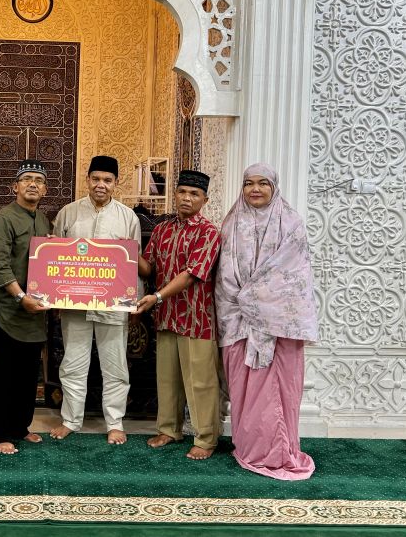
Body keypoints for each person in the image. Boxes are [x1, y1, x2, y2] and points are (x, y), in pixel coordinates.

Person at [215, 163, 318, 480]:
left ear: (275, 187)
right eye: (248, 183)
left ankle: (278, 451)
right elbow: (223, 275)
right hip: (238, 322)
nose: (255, 189)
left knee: (276, 390)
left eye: (263, 183)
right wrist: (243, 301)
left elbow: (293, 276)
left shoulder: (291, 222)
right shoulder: (232, 221)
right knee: (244, 389)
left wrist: (255, 300)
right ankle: (249, 447)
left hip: (277, 326)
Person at [49, 156, 141, 445]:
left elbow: (133, 263)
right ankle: (70, 420)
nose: (101, 185)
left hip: (113, 306)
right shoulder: (68, 213)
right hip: (75, 306)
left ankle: (114, 422)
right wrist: (54, 298)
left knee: (115, 366)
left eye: (108, 180)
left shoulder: (128, 217)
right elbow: (55, 256)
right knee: (73, 363)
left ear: (116, 183)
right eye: (96, 179)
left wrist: (133, 302)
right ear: (87, 179)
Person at [136, 169, 221, 460]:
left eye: (194, 194)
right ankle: (169, 429)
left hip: (196, 319)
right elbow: (148, 268)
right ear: (175, 193)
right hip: (166, 316)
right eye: (182, 192)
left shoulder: (209, 233)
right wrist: (123, 251)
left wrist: (157, 296)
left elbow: (191, 275)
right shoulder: (162, 229)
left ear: (204, 199)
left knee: (200, 381)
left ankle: (206, 438)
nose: (186, 198)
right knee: (167, 378)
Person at [0, 159, 51, 455]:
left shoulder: (43, 219)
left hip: (35, 314)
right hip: (10, 311)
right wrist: (20, 296)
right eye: (27, 179)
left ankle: (20, 428)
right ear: (16, 186)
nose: (33, 184)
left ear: (45, 189)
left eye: (38, 180)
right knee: (3, 377)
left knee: (27, 376)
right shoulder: (4, 218)